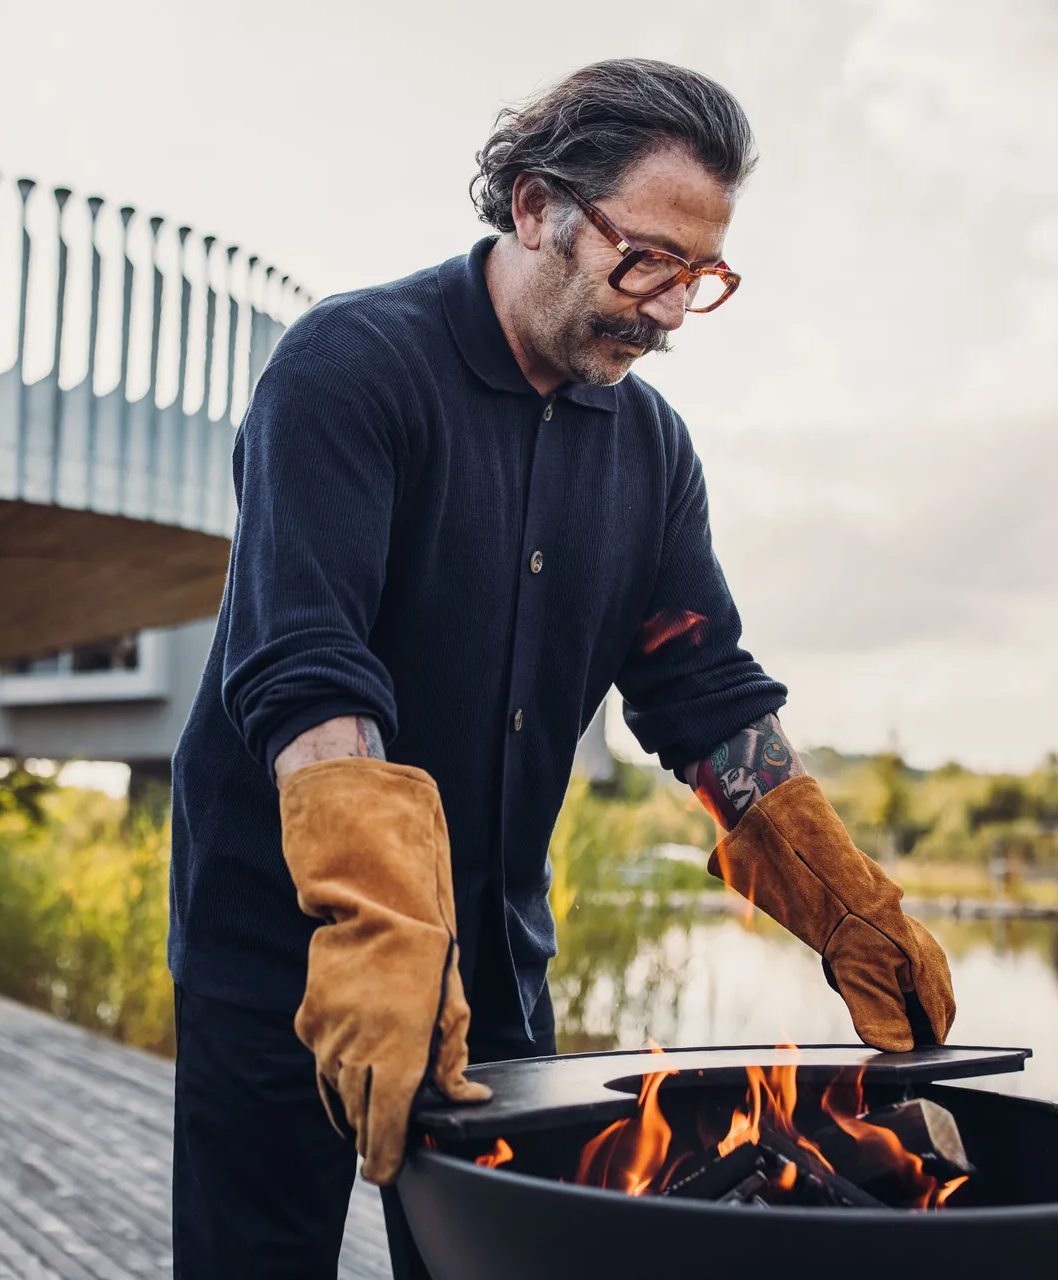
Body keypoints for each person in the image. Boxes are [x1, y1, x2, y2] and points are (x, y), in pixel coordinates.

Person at [167, 57, 957, 1280]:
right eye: (646, 260)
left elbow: (702, 692)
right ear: (535, 206)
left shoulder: (651, 450)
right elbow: (307, 667)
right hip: (298, 948)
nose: (668, 310)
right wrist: (381, 921)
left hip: (495, 956)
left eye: (701, 277)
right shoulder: (348, 367)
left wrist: (841, 896)